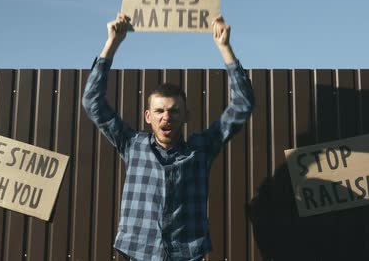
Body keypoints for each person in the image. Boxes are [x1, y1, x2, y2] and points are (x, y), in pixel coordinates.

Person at [82, 13, 255, 261]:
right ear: (148, 116)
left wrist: (225, 47)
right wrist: (113, 43)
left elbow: (243, 105)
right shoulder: (132, 144)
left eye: (174, 111)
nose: (167, 117)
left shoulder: (201, 149)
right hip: (139, 253)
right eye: (160, 111)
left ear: (186, 115)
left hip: (187, 254)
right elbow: (92, 102)